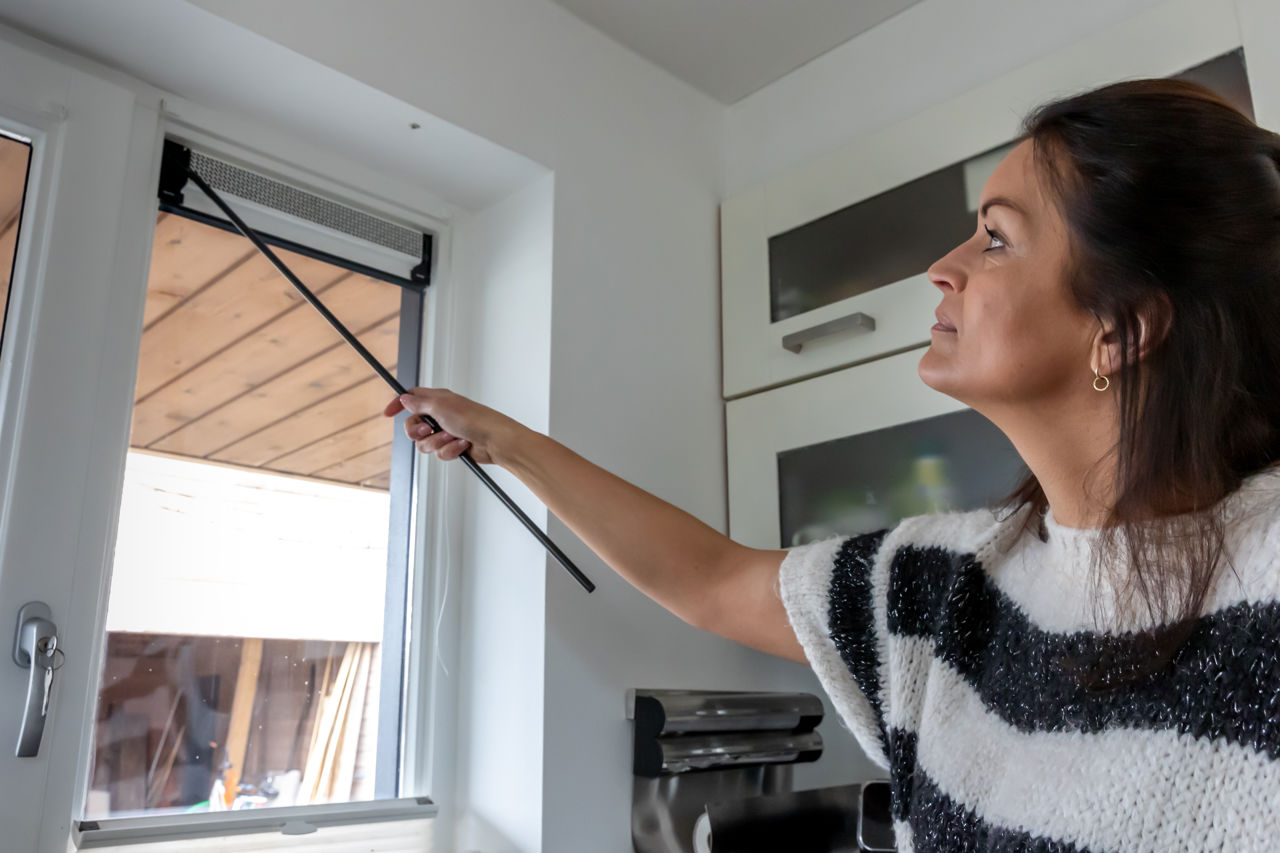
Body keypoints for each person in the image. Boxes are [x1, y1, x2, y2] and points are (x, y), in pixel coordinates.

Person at [384, 78, 1280, 851]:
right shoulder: (939, 588)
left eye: (996, 239)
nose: (942, 267)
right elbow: (710, 578)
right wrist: (498, 437)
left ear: (1121, 329)